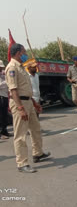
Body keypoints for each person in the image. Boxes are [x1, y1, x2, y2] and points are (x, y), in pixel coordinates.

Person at [5, 44, 50, 173]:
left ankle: (38, 153)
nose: (26, 55)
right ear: (19, 53)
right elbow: (13, 90)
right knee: (20, 134)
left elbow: (25, 90)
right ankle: (22, 163)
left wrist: (34, 103)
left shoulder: (21, 67)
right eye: (24, 52)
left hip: (28, 102)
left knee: (35, 129)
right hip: (20, 103)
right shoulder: (12, 67)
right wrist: (20, 108)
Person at [0, 60, 10, 139]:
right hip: (1, 96)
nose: (1, 69)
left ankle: (4, 130)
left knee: (4, 115)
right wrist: (6, 82)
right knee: (1, 115)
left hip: (5, 96)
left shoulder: (3, 74)